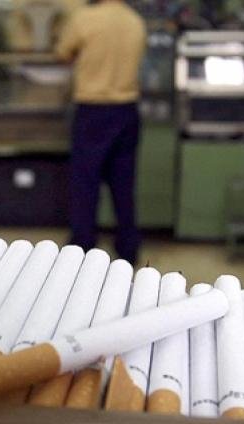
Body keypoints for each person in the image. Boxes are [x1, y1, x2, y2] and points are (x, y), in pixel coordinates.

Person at [56, 0, 147, 265]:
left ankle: (82, 246)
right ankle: (128, 248)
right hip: (127, 110)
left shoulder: (85, 18)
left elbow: (63, 54)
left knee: (86, 183)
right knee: (123, 184)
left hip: (92, 111)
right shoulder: (135, 21)